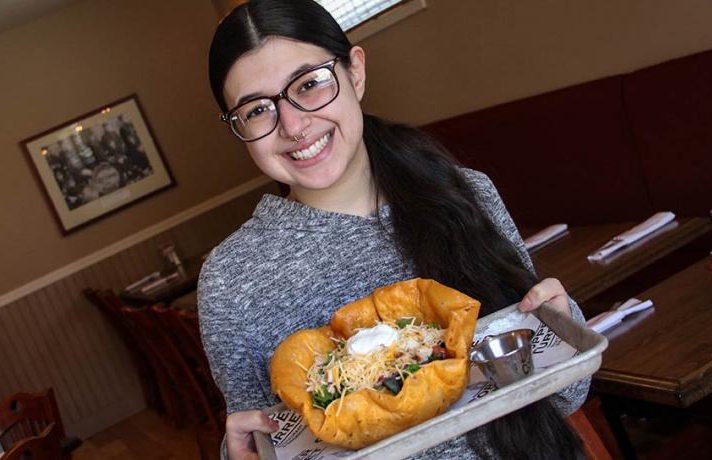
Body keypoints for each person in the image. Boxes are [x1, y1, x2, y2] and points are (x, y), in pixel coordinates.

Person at [200, 1, 589, 458]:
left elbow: (562, 397)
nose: (293, 125)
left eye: (309, 84)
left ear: (356, 73)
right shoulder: (233, 282)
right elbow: (267, 440)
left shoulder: (465, 193)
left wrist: (565, 331)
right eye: (257, 109)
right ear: (237, 128)